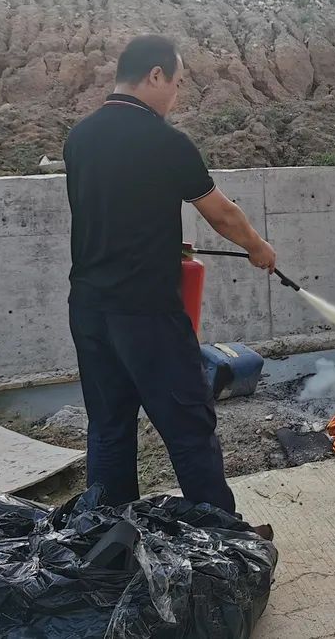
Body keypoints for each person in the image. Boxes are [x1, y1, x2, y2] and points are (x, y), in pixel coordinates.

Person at [63, 34, 276, 517]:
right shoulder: (165, 141)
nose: (176, 96)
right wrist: (258, 248)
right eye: (176, 83)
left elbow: (110, 212)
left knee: (109, 428)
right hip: (146, 312)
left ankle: (110, 535)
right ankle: (221, 536)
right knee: (188, 426)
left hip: (89, 309)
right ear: (155, 75)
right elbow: (221, 214)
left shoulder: (80, 137)